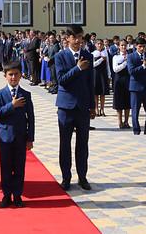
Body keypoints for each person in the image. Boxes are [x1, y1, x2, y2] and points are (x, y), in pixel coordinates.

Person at [54, 25, 95, 191]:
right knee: (65, 144)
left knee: (82, 144)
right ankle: (66, 178)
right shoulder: (60, 56)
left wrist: (92, 106)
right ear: (67, 39)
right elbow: (61, 80)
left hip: (83, 107)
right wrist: (77, 68)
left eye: (80, 37)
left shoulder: (88, 56)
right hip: (65, 106)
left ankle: (82, 177)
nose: (78, 41)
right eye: (75, 37)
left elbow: (90, 83)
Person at [0, 61, 35, 208]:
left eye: (16, 74)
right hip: (4, 137)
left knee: (19, 166)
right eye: (10, 74)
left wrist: (30, 138)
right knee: (5, 166)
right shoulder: (0, 94)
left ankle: (17, 195)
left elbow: (31, 118)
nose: (13, 77)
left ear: (20, 75)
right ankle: (6, 195)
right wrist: (12, 105)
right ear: (5, 76)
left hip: (20, 136)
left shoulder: (26, 94)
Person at [127, 38, 146, 135]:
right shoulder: (131, 56)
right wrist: (143, 66)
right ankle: (136, 130)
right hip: (135, 88)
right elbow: (131, 72)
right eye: (140, 46)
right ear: (136, 46)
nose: (142, 48)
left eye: (143, 46)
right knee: (135, 111)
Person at [112, 40, 131, 129]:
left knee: (127, 102)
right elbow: (115, 69)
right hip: (118, 80)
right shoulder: (116, 57)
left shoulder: (130, 56)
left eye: (125, 45)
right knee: (119, 102)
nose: (123, 47)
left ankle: (126, 122)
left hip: (128, 80)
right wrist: (124, 63)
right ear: (119, 46)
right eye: (122, 45)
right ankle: (120, 122)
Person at [92, 39, 110, 116]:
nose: (99, 45)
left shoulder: (105, 53)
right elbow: (93, 65)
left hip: (103, 74)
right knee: (96, 93)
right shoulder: (93, 54)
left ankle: (102, 109)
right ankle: (96, 108)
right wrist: (101, 59)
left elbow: (107, 64)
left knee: (103, 93)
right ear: (95, 45)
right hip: (95, 74)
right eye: (98, 44)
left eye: (101, 44)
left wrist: (109, 75)